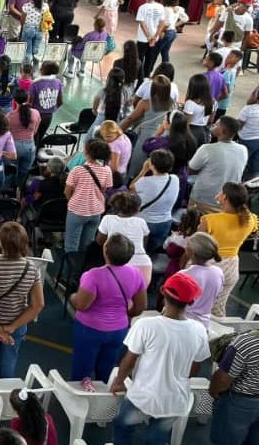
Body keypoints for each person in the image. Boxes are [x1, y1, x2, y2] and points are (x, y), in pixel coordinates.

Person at [110, 272, 209, 445]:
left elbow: (129, 360)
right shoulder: (199, 330)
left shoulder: (146, 325)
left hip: (143, 397)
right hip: (174, 400)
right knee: (156, 439)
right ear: (191, 302)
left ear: (163, 292)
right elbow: (194, 368)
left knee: (122, 426)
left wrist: (119, 382)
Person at [69, 233, 146, 382]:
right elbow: (140, 307)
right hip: (118, 331)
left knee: (81, 373)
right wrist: (122, 315)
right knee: (106, 371)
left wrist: (72, 296)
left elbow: (81, 305)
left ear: (105, 250)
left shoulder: (93, 275)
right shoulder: (136, 274)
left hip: (89, 330)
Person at [0, 222, 44, 380]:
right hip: (16, 323)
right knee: (8, 362)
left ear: (0, 242)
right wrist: (12, 326)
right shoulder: (32, 267)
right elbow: (38, 304)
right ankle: (4, 393)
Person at [199, 182, 259, 316]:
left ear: (225, 197)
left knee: (197, 304)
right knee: (218, 309)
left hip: (209, 265)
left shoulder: (209, 220)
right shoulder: (251, 219)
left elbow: (197, 245)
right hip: (231, 268)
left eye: (221, 192)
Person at [209, 326, 259, 445]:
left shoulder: (246, 341)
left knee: (225, 440)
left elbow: (222, 379)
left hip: (240, 403)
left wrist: (214, 391)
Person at [64, 139, 113, 253]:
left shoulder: (77, 170)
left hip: (77, 211)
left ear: (88, 153)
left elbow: (67, 191)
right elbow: (104, 190)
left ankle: (70, 264)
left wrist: (73, 201)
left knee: (71, 245)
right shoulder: (107, 170)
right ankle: (84, 262)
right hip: (96, 211)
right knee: (87, 244)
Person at [189, 117, 248, 211]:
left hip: (204, 200)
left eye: (216, 125)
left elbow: (191, 169)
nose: (213, 126)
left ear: (223, 131)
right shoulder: (243, 149)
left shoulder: (207, 149)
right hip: (227, 201)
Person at [129, 149, 180, 252]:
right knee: (151, 251)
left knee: (138, 249)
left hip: (144, 221)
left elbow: (131, 187)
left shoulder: (144, 182)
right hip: (164, 223)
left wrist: (143, 170)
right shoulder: (174, 179)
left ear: (152, 165)